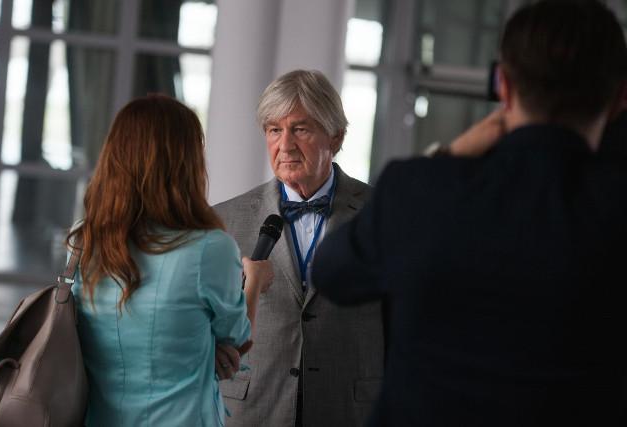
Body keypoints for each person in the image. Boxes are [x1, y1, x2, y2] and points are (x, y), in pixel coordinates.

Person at [311, 1, 627, 426]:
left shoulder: (422, 191)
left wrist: (448, 156)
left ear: (503, 85)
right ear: (620, 97)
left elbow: (333, 272)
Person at [66, 94, 273, 426]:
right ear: (186, 164)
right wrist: (255, 281)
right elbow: (237, 339)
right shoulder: (210, 248)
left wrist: (201, 348)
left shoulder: (83, 239)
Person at [214, 69, 385, 427]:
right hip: (252, 411)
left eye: (300, 129)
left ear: (336, 137)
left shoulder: (384, 215)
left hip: (350, 411)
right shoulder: (224, 220)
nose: (285, 145)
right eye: (274, 130)